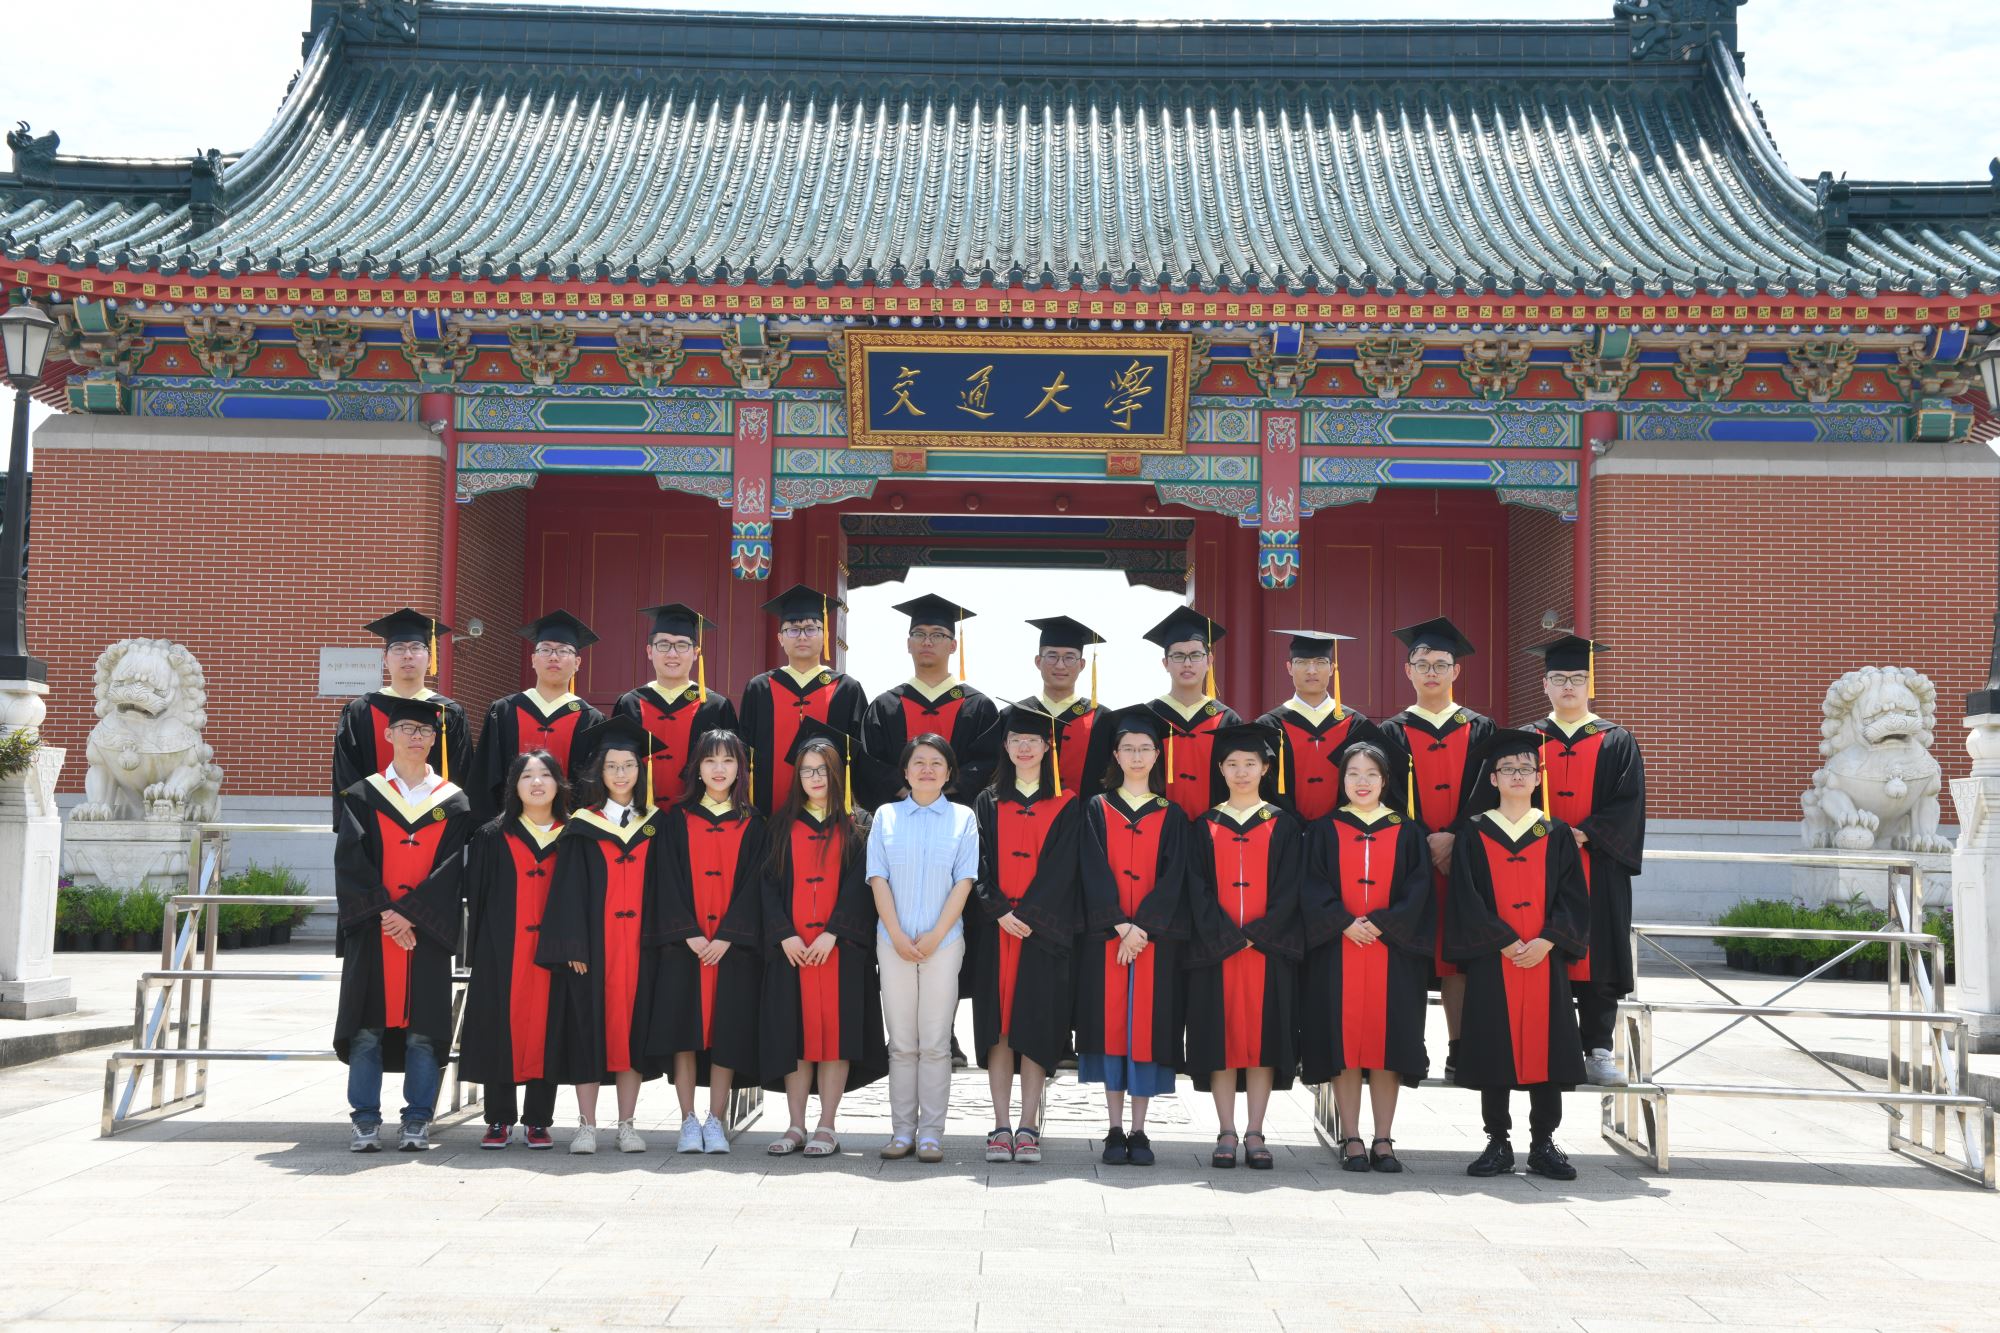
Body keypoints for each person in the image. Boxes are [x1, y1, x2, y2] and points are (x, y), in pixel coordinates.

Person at [1446, 728, 1591, 1182]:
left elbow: (1573, 897)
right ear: (1492, 779)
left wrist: (1548, 940)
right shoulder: (1474, 832)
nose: (1516, 775)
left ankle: (1544, 1144)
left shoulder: (1557, 832)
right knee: (1494, 1047)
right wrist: (1502, 941)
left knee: (1548, 1049)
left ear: (1537, 777)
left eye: (1525, 768)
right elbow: (1465, 898)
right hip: (1495, 959)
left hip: (1545, 960)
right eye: (1507, 769)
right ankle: (1498, 1142)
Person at [332, 695, 474, 1152]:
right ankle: (364, 1120)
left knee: (423, 1033)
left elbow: (453, 869)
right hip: (373, 931)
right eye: (409, 729)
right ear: (388, 734)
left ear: (435, 740)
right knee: (366, 1031)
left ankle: (417, 1119)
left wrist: (409, 914)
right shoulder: (363, 795)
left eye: (426, 731)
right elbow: (350, 862)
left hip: (425, 934)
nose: (417, 737)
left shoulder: (453, 802)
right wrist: (385, 913)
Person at [1299, 727, 1433, 1174]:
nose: (1362, 781)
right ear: (1342, 780)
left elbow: (1419, 890)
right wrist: (1343, 922)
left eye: (1371, 774)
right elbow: (1312, 885)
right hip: (1339, 949)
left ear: (1385, 780)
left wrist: (1383, 923)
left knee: (1387, 1045)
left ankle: (1384, 1138)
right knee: (1344, 1045)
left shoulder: (1408, 832)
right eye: (1353, 773)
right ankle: (1352, 1136)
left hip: (1393, 953)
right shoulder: (1323, 830)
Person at [536, 715, 666, 1155]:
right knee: (587, 1030)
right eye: (612, 766)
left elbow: (668, 888)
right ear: (600, 772)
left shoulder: (657, 824)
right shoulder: (582, 825)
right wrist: (573, 943)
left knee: (633, 1033)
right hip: (594, 949)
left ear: (640, 770)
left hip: (641, 948)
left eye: (628, 765)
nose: (620, 774)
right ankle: (586, 1125)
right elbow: (567, 889)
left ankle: (627, 1124)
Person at [759, 719, 888, 1158]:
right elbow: (767, 886)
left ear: (838, 772)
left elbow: (862, 885)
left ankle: (827, 1125)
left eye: (822, 770)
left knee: (836, 1036)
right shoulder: (780, 825)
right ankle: (795, 1125)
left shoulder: (860, 824)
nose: (815, 778)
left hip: (840, 950)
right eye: (806, 771)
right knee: (794, 1035)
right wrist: (784, 935)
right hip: (793, 951)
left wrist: (835, 932)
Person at [1183, 721, 1306, 1171]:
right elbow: (1195, 888)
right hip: (1216, 952)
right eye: (1232, 764)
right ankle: (1226, 1130)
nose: (1240, 772)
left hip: (1267, 953)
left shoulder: (1284, 825)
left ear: (1265, 768)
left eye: (1249, 764)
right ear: (1220, 769)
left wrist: (1259, 933)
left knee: (1263, 1039)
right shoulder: (1204, 825)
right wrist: (1226, 934)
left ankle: (1255, 1130)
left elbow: (1291, 888)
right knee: (1221, 1039)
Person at [1526, 635, 1646, 1087]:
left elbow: (1629, 803)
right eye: (1559, 678)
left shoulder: (1616, 741)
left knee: (1599, 955)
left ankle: (1598, 1049)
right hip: (1538, 865)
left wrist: (1585, 833)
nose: (1568, 687)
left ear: (1590, 684)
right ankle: (1548, 1045)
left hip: (1599, 865)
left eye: (1577, 678)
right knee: (1544, 947)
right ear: (1545, 684)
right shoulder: (1528, 739)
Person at [1379, 616, 1495, 1079]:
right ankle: (1411, 1046)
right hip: (1411, 862)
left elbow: (1489, 794)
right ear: (1408, 670)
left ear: (1455, 671)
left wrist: (1455, 838)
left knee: (1459, 956)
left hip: (1463, 861)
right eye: (1423, 664)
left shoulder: (1481, 729)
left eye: (1441, 664)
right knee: (1410, 953)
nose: (1432, 672)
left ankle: (1460, 1047)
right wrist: (1421, 840)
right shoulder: (1391, 732)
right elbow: (1384, 796)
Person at [1074, 705, 1189, 1167]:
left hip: (1153, 942)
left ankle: (1140, 1130)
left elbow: (1175, 877)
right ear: (1116, 756)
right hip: (1107, 938)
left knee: (1146, 1031)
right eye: (1129, 749)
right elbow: (1091, 869)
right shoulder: (1095, 808)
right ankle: (1114, 1128)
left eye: (1145, 749)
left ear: (1158, 755)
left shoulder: (1173, 815)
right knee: (1112, 1029)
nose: (1137, 756)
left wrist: (1143, 928)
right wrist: (1120, 924)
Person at [970, 707, 1082, 1165]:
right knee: (997, 1027)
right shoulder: (988, 800)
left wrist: (1029, 915)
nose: (1024, 747)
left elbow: (1065, 868)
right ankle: (1001, 1125)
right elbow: (976, 861)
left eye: (1032, 740)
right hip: (996, 930)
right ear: (1006, 745)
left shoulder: (1067, 802)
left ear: (1047, 746)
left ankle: (1029, 1124)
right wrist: (998, 910)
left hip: (1043, 933)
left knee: (1035, 1027)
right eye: (1016, 739)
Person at [651, 730, 766, 1155]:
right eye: (710, 760)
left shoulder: (755, 823)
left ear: (741, 769)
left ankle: (715, 1119)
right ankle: (687, 1119)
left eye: (728, 761)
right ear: (697, 768)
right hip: (685, 947)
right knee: (683, 1031)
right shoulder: (675, 820)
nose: (719, 769)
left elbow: (757, 886)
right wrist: (690, 932)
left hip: (732, 951)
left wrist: (730, 936)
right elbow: (665, 880)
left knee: (726, 1032)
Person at [867, 733, 978, 1164]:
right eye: (919, 762)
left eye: (936, 763)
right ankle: (901, 1132)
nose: (927, 769)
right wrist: (896, 933)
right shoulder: (886, 816)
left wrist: (935, 935)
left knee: (934, 1043)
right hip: (892, 941)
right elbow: (878, 877)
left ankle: (931, 1133)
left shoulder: (963, 818)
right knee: (901, 1043)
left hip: (943, 943)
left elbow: (964, 880)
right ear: (906, 770)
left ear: (949, 772)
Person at [452, 750, 572, 1150]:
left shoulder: (574, 835)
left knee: (548, 1030)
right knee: (497, 1027)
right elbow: (476, 896)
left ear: (558, 783)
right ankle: (499, 1119)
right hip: (501, 949)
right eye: (526, 776)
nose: (536, 782)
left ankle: (538, 1120)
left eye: (545, 774)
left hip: (555, 951)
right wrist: (477, 952)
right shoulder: (491, 836)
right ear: (513, 787)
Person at [331, 608, 471, 830]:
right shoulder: (359, 712)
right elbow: (346, 776)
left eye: (416, 647)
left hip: (434, 826)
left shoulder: (449, 713)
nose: (407, 655)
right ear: (385, 658)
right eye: (398, 648)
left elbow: (460, 774)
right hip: (372, 827)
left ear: (430, 658)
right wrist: (357, 828)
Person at [739, 583, 870, 814]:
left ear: (824, 635)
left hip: (829, 819)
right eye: (793, 629)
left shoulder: (846, 689)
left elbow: (859, 759)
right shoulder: (759, 689)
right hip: (768, 814)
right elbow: (742, 752)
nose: (802, 636)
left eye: (811, 628)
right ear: (780, 638)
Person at [860, 593, 1001, 806]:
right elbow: (870, 763)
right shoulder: (885, 706)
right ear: (909, 644)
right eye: (919, 634)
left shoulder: (978, 706)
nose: (927, 642)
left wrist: (948, 787)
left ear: (953, 646)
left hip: (959, 814)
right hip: (898, 813)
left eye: (937, 635)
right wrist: (905, 788)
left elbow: (989, 762)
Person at [471, 610, 607, 819]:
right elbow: (485, 777)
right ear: (533, 659)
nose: (554, 656)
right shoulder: (504, 711)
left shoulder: (591, 719)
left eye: (563, 650)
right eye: (545, 649)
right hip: (509, 827)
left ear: (577, 663)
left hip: (568, 830)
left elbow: (593, 787)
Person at [615, 602, 741, 808]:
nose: (672, 654)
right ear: (649, 651)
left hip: (698, 817)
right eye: (663, 645)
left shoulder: (715, 707)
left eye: (682, 645)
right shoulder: (630, 704)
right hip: (638, 816)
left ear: (696, 653)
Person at [1141, 606, 1243, 821]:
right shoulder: (1148, 717)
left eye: (1196, 655)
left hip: (1215, 829)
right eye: (1178, 656)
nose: (1187, 663)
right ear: (1165, 663)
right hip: (1158, 828)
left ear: (1209, 661)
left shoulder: (1227, 720)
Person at [1257, 628, 1367, 824]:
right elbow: (1264, 786)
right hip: (1285, 830)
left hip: (1343, 830)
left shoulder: (1355, 724)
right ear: (1289, 668)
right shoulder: (1268, 725)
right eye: (1302, 662)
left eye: (1320, 662)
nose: (1312, 670)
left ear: (1332, 668)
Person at [1021, 614, 1114, 798]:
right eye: (1052, 656)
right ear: (1038, 662)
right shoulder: (1015, 714)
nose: (1060, 665)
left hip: (1086, 815)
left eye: (1069, 658)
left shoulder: (1103, 720)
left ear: (1082, 664)